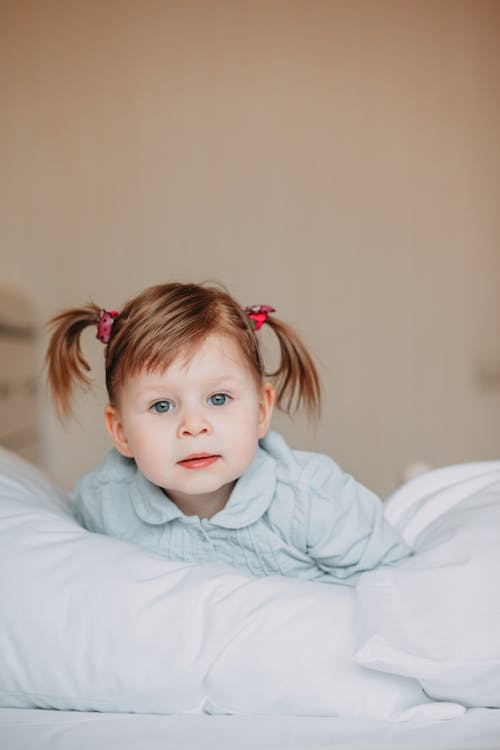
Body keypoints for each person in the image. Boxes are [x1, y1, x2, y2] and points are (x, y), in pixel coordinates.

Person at [45, 282, 411, 584]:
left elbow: (394, 578)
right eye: (161, 406)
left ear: (262, 411)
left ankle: (414, 486)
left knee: (412, 500)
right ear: (121, 432)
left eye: (218, 398)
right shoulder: (103, 502)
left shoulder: (312, 499)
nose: (193, 425)